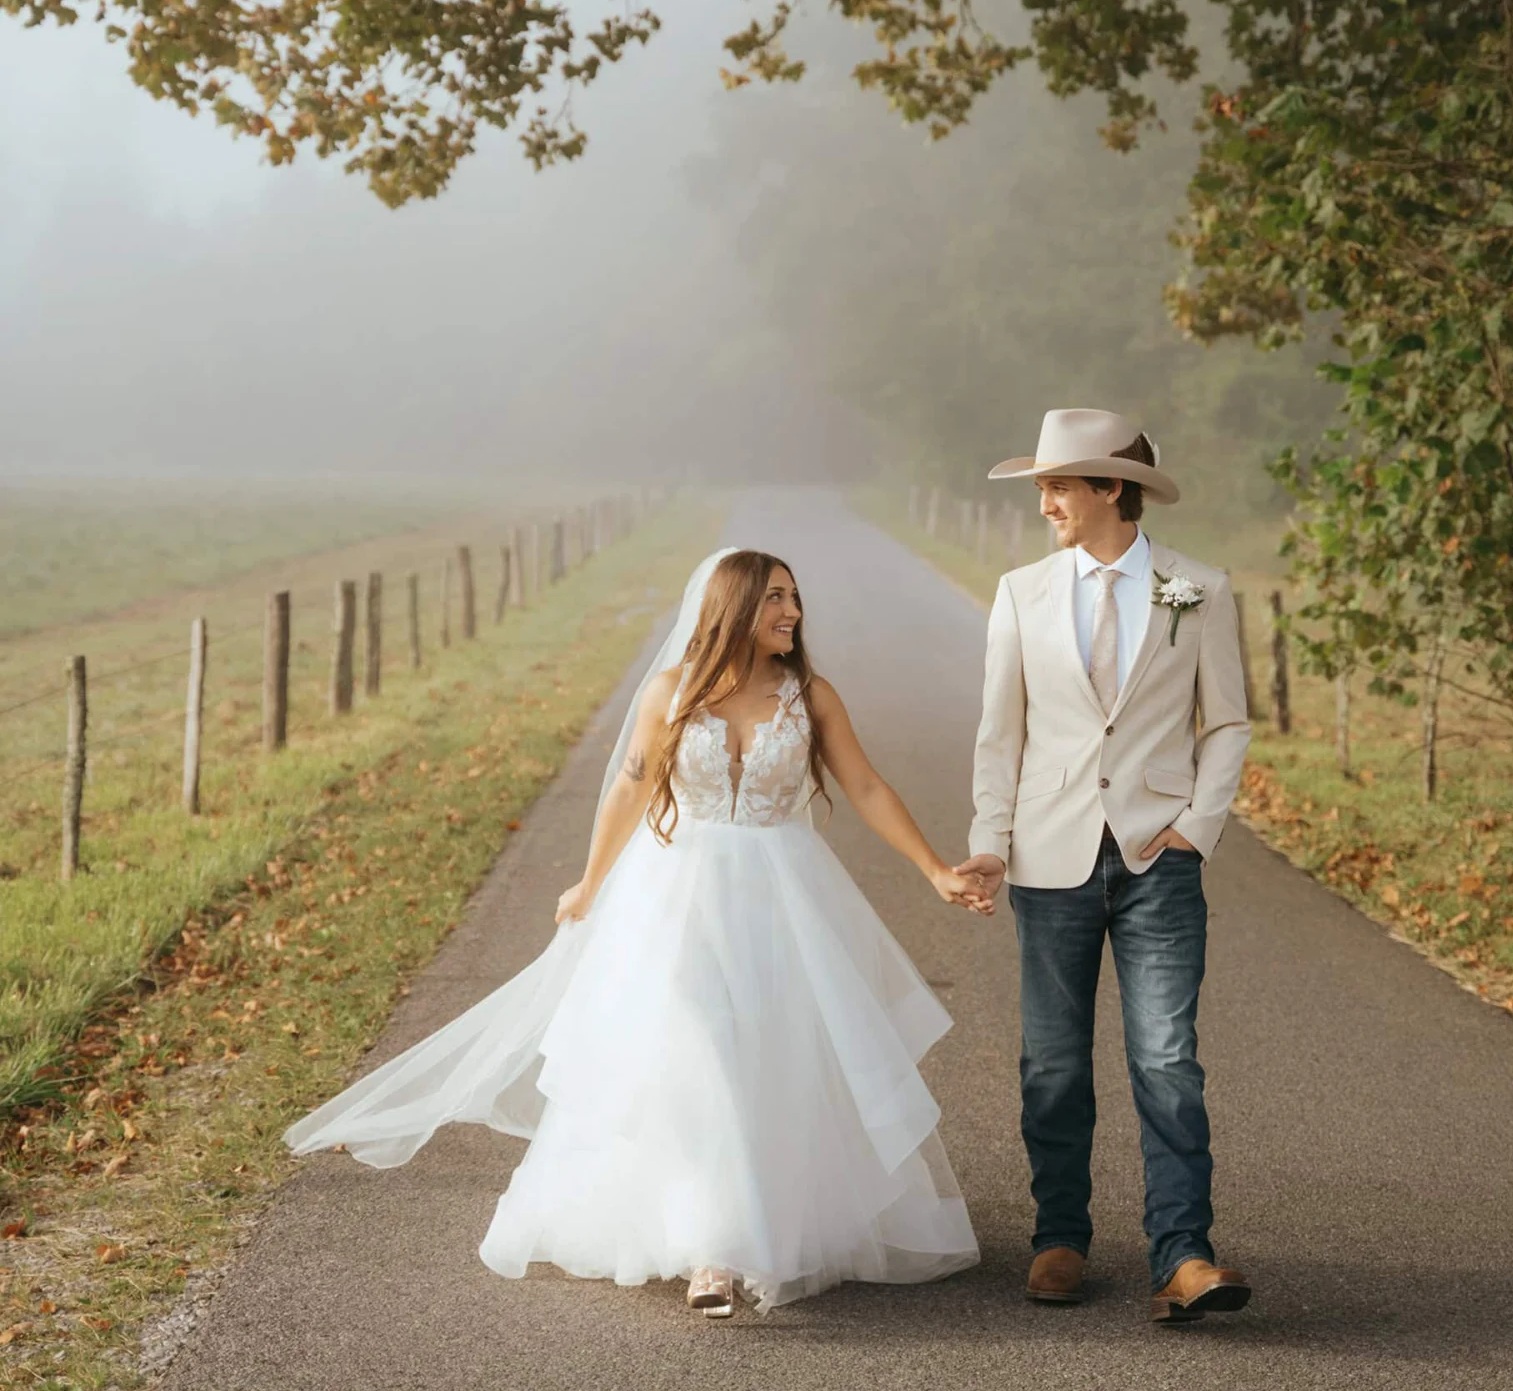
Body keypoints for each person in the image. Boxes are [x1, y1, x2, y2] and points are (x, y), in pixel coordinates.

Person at [288, 548, 986, 1316]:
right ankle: (711, 1254)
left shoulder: (809, 696)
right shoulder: (669, 692)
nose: (791, 612)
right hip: (674, 895)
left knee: (764, 1058)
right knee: (696, 1050)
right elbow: (628, 787)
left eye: (793, 598)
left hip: (780, 900)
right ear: (731, 609)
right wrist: (588, 882)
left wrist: (932, 869)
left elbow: (863, 784)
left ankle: (759, 1224)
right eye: (773, 599)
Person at [959, 409, 1252, 1324]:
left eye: (1058, 485)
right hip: (1049, 855)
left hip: (1158, 857)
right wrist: (989, 841)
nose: (1044, 500)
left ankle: (1183, 1255)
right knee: (1051, 1063)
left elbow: (1228, 720)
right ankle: (1059, 1238)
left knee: (1168, 1059)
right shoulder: (1019, 592)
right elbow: (998, 730)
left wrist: (1198, 826)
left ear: (1109, 491)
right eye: (1042, 485)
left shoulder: (1197, 589)